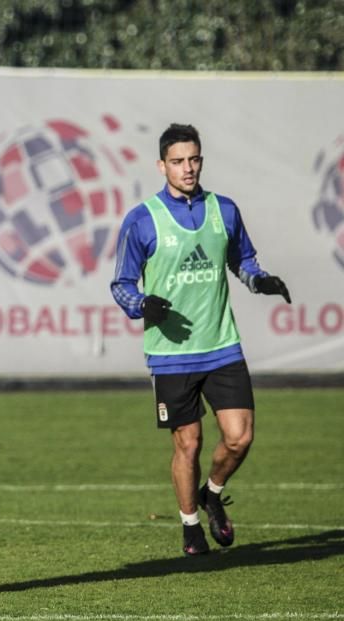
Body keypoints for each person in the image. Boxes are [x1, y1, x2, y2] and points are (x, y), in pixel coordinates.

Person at [110, 123, 291, 556]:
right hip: (171, 356)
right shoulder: (142, 219)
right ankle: (191, 525)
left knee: (239, 437)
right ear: (161, 165)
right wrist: (141, 305)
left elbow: (242, 260)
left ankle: (213, 492)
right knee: (188, 443)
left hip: (222, 345)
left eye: (193, 160)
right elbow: (121, 284)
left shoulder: (223, 210)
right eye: (177, 161)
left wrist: (258, 280)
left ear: (201, 161)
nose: (187, 168)